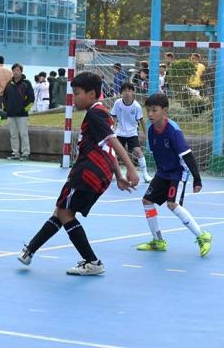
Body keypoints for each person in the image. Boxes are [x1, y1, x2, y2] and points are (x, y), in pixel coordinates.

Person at [17, 72, 140, 276]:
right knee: (61, 210)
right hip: (99, 173)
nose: (74, 98)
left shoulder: (95, 113)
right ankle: (30, 251)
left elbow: (113, 141)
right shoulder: (100, 113)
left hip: (87, 172)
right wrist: (118, 175)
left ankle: (92, 261)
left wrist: (131, 169)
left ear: (91, 94)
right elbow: (106, 147)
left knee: (65, 213)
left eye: (77, 93)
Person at [136, 92, 212, 257]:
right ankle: (158, 241)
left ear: (165, 111)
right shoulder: (151, 130)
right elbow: (158, 155)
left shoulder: (173, 130)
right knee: (147, 200)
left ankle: (202, 236)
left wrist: (197, 179)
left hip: (178, 173)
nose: (150, 114)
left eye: (154, 110)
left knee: (172, 204)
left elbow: (187, 156)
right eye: (148, 110)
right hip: (163, 172)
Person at [111, 82, 153, 183]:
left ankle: (145, 174)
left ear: (133, 92)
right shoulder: (117, 103)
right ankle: (113, 173)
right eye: (125, 91)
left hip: (132, 133)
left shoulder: (136, 106)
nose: (127, 93)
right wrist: (112, 128)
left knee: (138, 151)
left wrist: (145, 134)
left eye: (129, 91)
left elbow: (142, 120)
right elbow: (114, 117)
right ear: (121, 92)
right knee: (113, 153)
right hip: (119, 132)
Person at [2, 63, 34, 160]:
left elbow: (31, 99)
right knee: (13, 135)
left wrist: (24, 109)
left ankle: (25, 153)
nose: (15, 72)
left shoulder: (26, 84)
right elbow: (4, 98)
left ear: (21, 71)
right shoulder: (9, 84)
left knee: (23, 134)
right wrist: (6, 109)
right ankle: (15, 153)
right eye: (14, 70)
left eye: (18, 70)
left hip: (22, 115)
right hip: (11, 114)